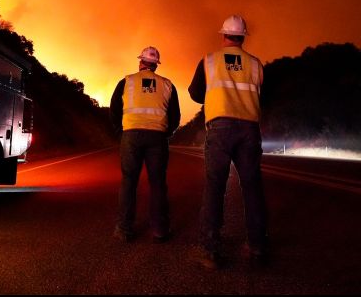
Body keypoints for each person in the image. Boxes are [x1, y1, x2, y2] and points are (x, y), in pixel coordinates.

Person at [188, 14, 268, 269]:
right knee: (252, 187)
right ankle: (257, 246)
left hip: (220, 128)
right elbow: (262, 92)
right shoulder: (256, 64)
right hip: (248, 128)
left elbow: (195, 93)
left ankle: (210, 250)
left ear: (223, 35)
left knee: (214, 187)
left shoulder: (209, 61)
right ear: (243, 36)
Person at [110, 46, 181, 243]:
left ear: (140, 62)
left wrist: (121, 131)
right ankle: (160, 229)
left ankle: (124, 229)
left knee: (129, 182)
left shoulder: (127, 81)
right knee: (158, 183)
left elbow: (114, 108)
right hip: (157, 137)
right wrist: (166, 132)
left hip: (131, 135)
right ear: (156, 66)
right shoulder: (167, 85)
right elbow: (175, 116)